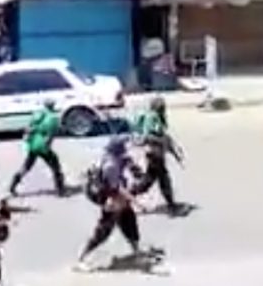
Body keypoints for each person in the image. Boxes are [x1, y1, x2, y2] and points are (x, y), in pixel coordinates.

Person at [75, 136, 146, 272]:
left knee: (129, 221)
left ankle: (136, 251)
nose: (126, 149)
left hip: (116, 196)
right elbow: (118, 189)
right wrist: (137, 202)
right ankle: (81, 258)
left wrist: (131, 165)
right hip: (110, 198)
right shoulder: (111, 166)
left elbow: (128, 164)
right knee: (103, 230)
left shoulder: (115, 158)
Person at [131, 97, 182, 214]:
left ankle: (128, 195)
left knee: (148, 181)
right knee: (163, 180)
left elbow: (164, 137)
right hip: (154, 154)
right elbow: (148, 136)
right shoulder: (152, 117)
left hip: (156, 154)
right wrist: (162, 141)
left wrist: (174, 152)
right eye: (162, 106)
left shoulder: (157, 117)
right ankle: (171, 205)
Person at [9, 99, 66, 197]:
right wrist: (47, 146)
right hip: (42, 145)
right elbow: (50, 134)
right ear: (53, 106)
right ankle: (60, 190)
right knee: (55, 165)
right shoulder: (53, 117)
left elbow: (28, 127)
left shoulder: (37, 114)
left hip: (33, 144)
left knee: (26, 166)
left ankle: (13, 185)